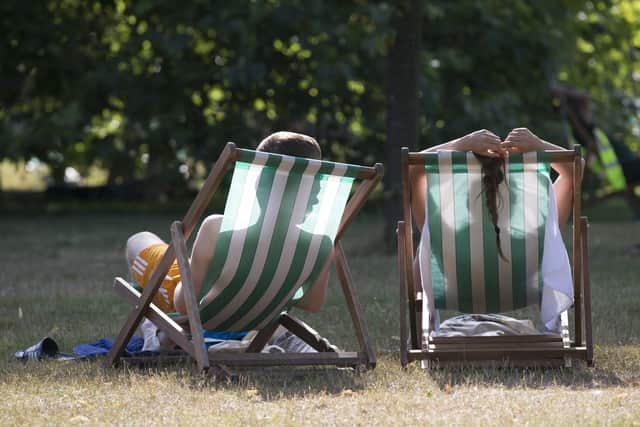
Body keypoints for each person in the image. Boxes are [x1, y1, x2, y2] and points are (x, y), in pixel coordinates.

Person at [125, 131, 331, 321]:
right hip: (260, 315)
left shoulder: (217, 229)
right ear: (316, 190)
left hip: (205, 310)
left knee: (139, 240)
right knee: (201, 265)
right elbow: (312, 303)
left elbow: (184, 306)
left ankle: (157, 328)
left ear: (258, 185)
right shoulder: (320, 243)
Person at [410, 127, 583, 334]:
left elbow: (414, 168)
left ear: (464, 202)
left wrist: (460, 143)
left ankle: (421, 334)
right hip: (519, 291)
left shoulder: (445, 237)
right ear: (520, 204)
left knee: (425, 249)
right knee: (550, 243)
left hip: (456, 290)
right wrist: (539, 145)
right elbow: (576, 170)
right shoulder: (537, 236)